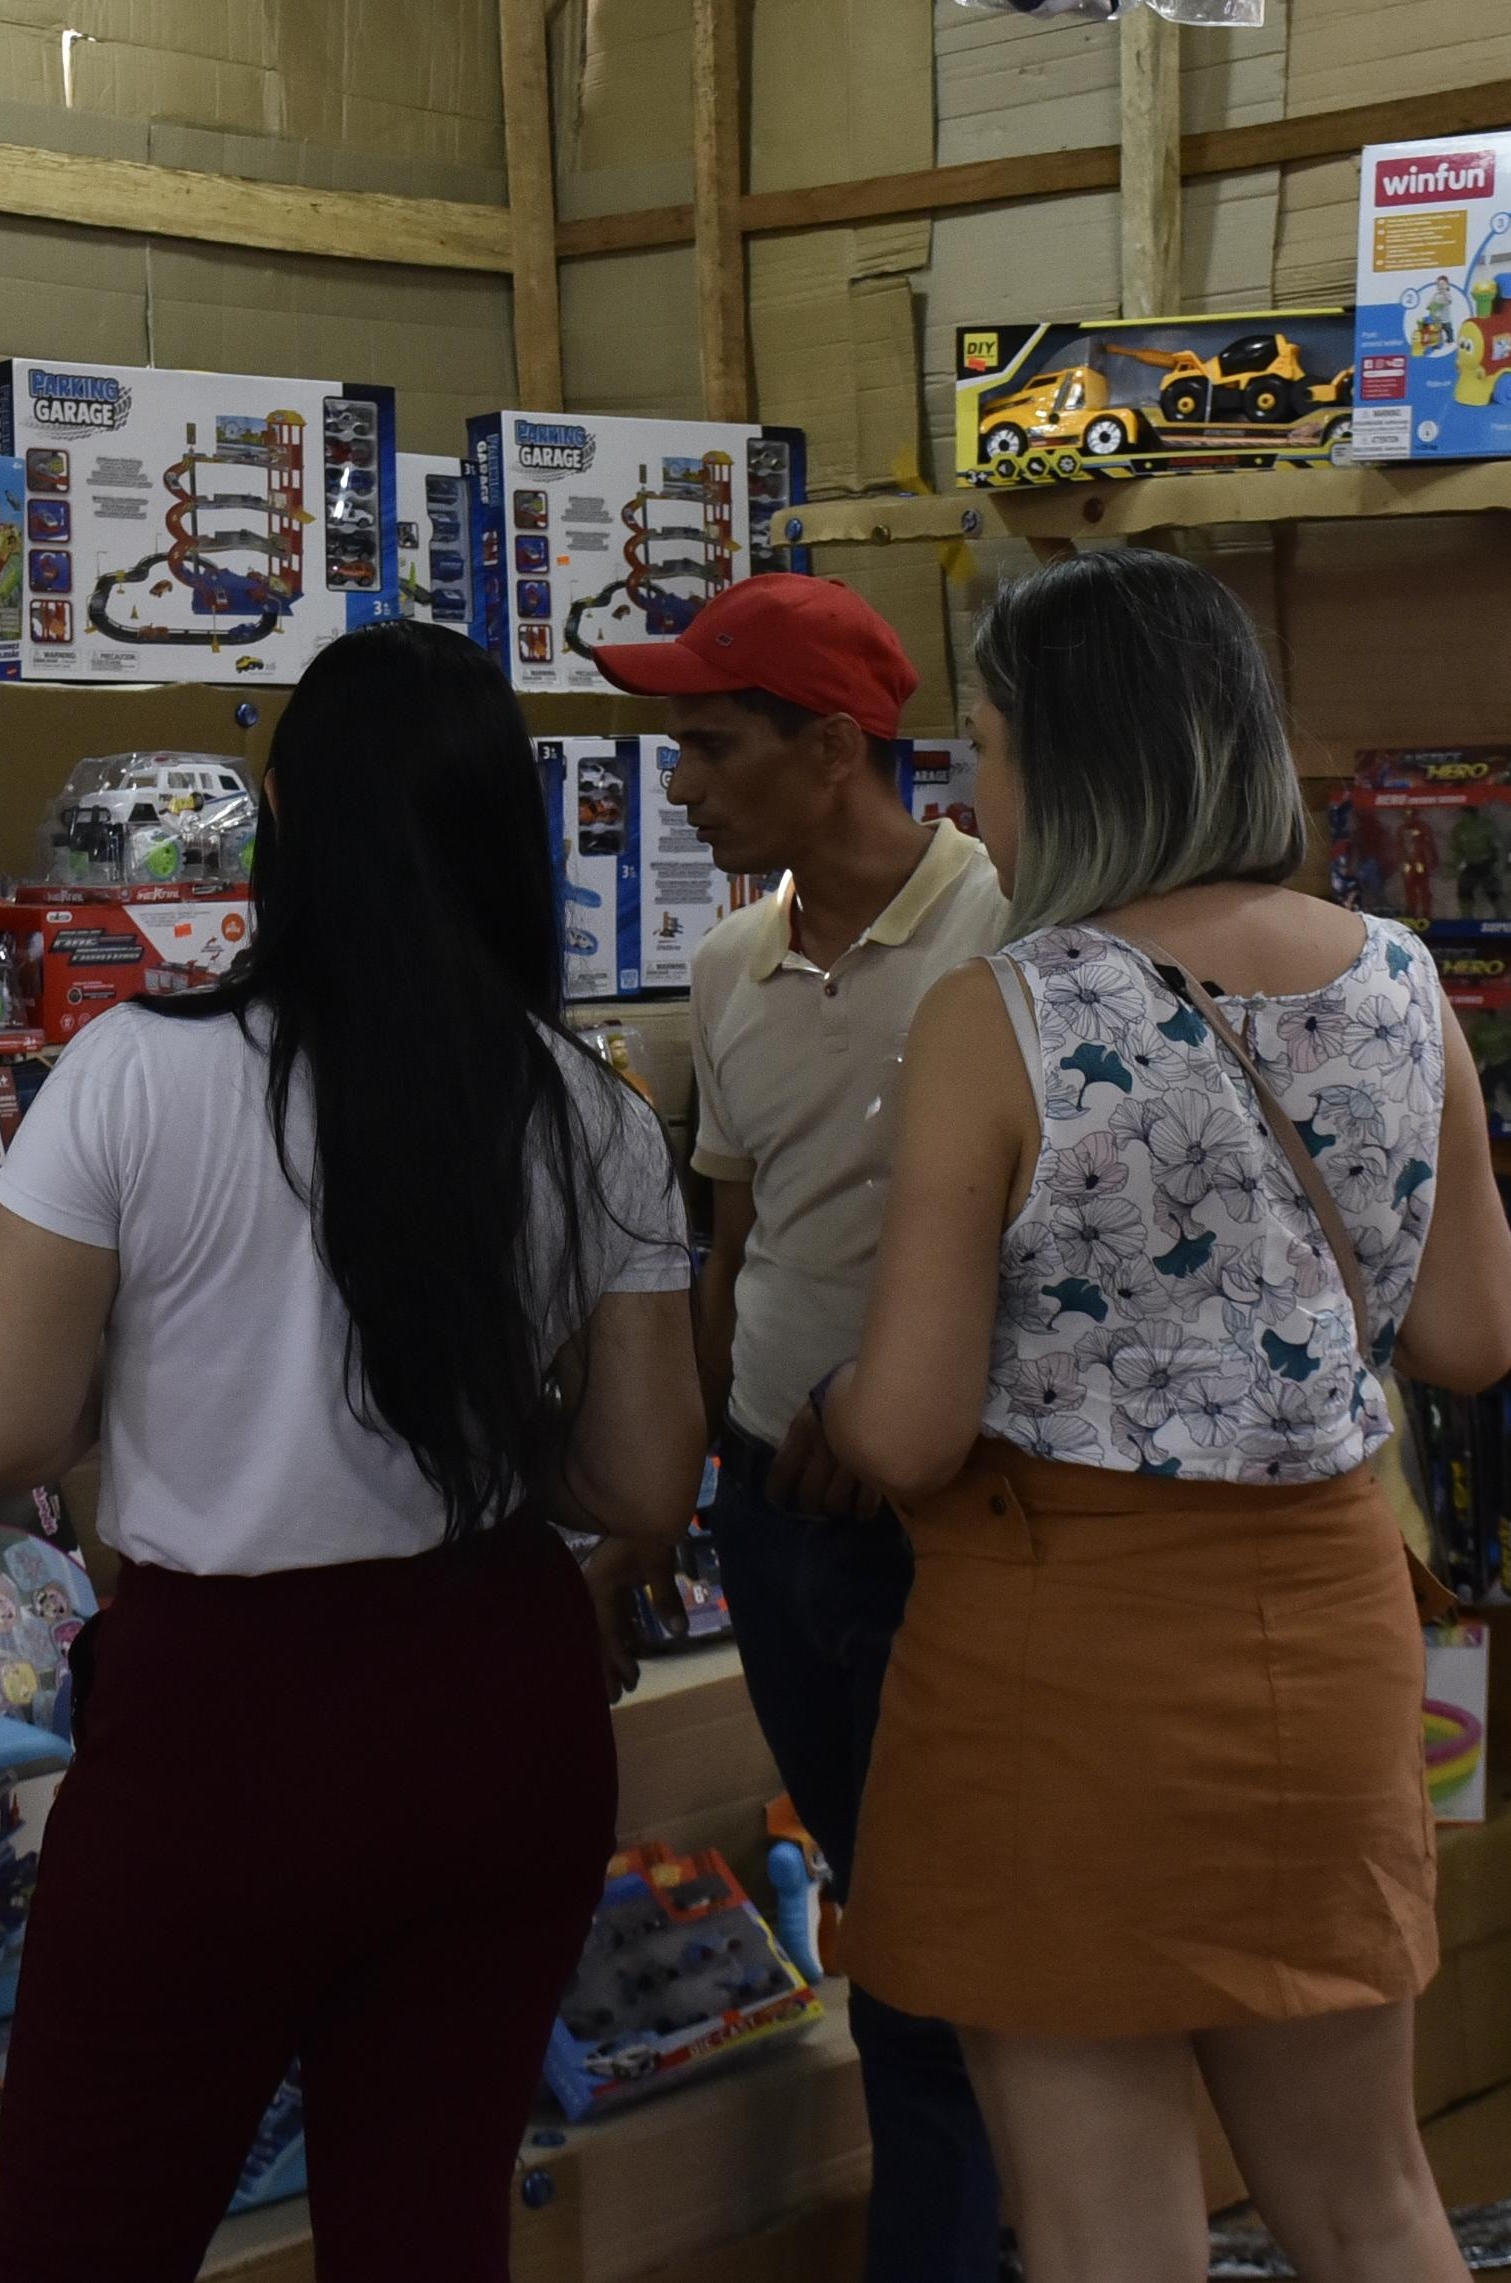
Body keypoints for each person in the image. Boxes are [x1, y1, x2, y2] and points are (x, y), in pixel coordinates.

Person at [0, 618, 708, 2283]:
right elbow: (646, 1488)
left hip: (224, 1729)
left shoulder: (136, 1074)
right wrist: (487, 1417)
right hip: (499, 1705)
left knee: (89, 2232)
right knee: (426, 2234)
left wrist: (139, 1392)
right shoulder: (593, 1108)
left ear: (280, 813)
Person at [814, 547, 1511, 2283]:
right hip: (1328, 1639)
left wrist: (826, 1387)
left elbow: (902, 1436)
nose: (974, 786)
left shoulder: (1006, 1014)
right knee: (1370, 2199)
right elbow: (1476, 1333)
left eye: (984, 741)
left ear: (1071, 757)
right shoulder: (1403, 984)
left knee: (1103, 2229)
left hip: (1061, 1659)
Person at [594, 573, 1013, 2281]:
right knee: (882, 1913)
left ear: (834, 748)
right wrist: (675, 1500)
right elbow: (732, 1245)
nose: (678, 787)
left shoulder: (1023, 931)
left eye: (708, 746)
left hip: (968, 1521)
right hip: (777, 1523)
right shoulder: (725, 968)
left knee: (956, 1948)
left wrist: (908, 1405)